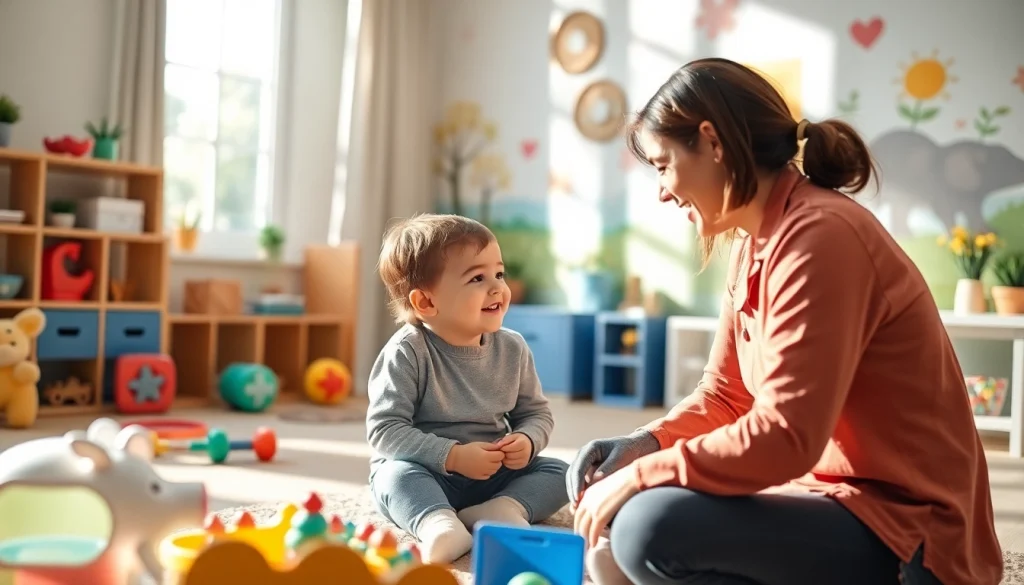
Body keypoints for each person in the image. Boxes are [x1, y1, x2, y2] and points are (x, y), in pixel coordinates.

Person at [567, 58, 1003, 585]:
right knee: (635, 508)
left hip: (910, 532)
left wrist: (643, 475)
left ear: (711, 142)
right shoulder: (755, 244)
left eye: (662, 164)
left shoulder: (822, 236)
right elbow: (726, 395)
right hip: (835, 499)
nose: (661, 190)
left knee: (647, 523)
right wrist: (645, 444)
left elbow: (785, 437)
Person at [366, 213, 569, 564]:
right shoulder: (408, 351)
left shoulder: (513, 347)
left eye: (499, 274)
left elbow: (535, 413)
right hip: (427, 472)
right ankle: (437, 522)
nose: (497, 288)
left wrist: (527, 440)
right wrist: (453, 456)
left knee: (561, 472)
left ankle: (501, 509)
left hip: (493, 474)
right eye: (477, 277)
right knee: (392, 477)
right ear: (426, 303)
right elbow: (385, 430)